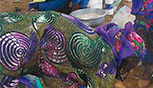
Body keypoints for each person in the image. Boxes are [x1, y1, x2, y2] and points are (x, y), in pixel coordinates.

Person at [0, 11, 145, 88]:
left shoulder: (91, 35)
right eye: (130, 67)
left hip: (9, 25)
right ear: (126, 57)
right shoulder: (105, 62)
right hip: (12, 46)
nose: (127, 71)